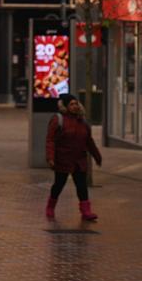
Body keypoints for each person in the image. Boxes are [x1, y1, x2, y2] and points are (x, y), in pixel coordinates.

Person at [45, 93, 102, 222]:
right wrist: (50, 157)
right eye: (71, 104)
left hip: (79, 160)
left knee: (81, 185)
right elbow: (50, 140)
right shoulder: (58, 120)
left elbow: (89, 141)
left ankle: (86, 211)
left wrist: (97, 156)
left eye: (76, 103)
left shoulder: (83, 121)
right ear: (65, 106)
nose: (75, 106)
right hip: (63, 159)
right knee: (59, 184)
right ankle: (50, 206)